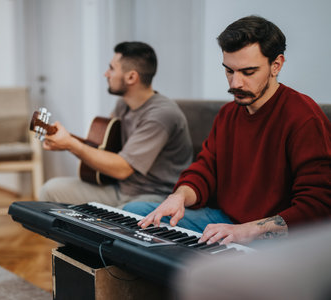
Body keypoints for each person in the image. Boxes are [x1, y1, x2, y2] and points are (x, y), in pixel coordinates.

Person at [124, 16, 331, 246]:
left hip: (275, 233)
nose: (235, 84)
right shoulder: (227, 114)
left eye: (248, 72)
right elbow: (204, 171)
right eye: (229, 71)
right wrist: (179, 197)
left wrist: (247, 231)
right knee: (136, 211)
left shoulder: (303, 117)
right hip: (223, 219)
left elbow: (318, 206)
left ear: (276, 65)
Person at [39, 41, 193, 208]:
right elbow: (106, 149)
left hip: (153, 197)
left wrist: (71, 145)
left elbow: (122, 168)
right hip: (120, 189)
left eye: (112, 68)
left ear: (131, 77)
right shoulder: (123, 104)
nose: (106, 74)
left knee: (111, 224)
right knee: (50, 190)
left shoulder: (161, 115)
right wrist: (67, 142)